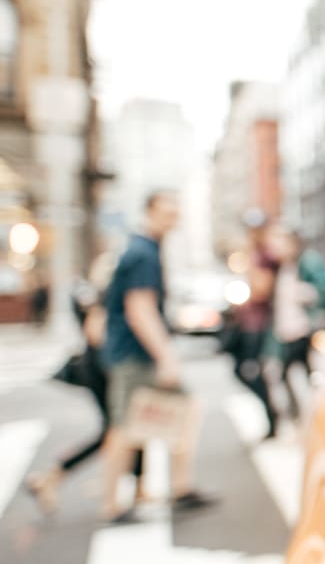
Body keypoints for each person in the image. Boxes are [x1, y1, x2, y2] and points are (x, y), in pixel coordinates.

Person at [99, 190, 215, 522]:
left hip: (133, 354)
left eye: (175, 211)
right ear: (149, 211)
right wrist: (166, 356)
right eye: (166, 211)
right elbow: (140, 310)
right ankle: (113, 502)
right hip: (135, 356)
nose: (172, 217)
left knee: (141, 420)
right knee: (125, 425)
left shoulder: (144, 249)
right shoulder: (143, 254)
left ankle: (177, 487)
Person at [24, 256, 144, 514]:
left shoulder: (100, 293)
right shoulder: (105, 296)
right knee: (116, 431)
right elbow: (96, 333)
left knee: (127, 427)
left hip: (102, 368)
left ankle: (138, 487)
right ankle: (50, 478)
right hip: (103, 370)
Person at [271, 228, 325, 424]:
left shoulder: (307, 262)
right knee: (295, 373)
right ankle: (306, 414)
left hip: (304, 328)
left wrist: (304, 292)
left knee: (309, 373)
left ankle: (315, 412)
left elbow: (324, 289)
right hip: (287, 330)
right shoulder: (283, 266)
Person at [230, 209, 280, 438]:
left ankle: (272, 414)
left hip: (260, 324)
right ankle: (271, 413)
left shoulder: (265, 256)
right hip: (249, 322)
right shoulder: (254, 254)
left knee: (250, 370)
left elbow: (261, 291)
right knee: (244, 370)